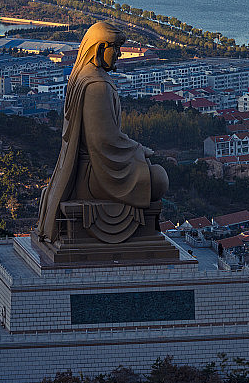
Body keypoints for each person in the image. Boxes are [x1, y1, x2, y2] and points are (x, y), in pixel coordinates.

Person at [37, 21, 168, 243]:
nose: (119, 54)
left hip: (89, 169)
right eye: (115, 48)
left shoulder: (80, 76)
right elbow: (103, 141)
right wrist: (138, 149)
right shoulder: (96, 85)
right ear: (99, 48)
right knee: (159, 178)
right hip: (96, 174)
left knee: (150, 170)